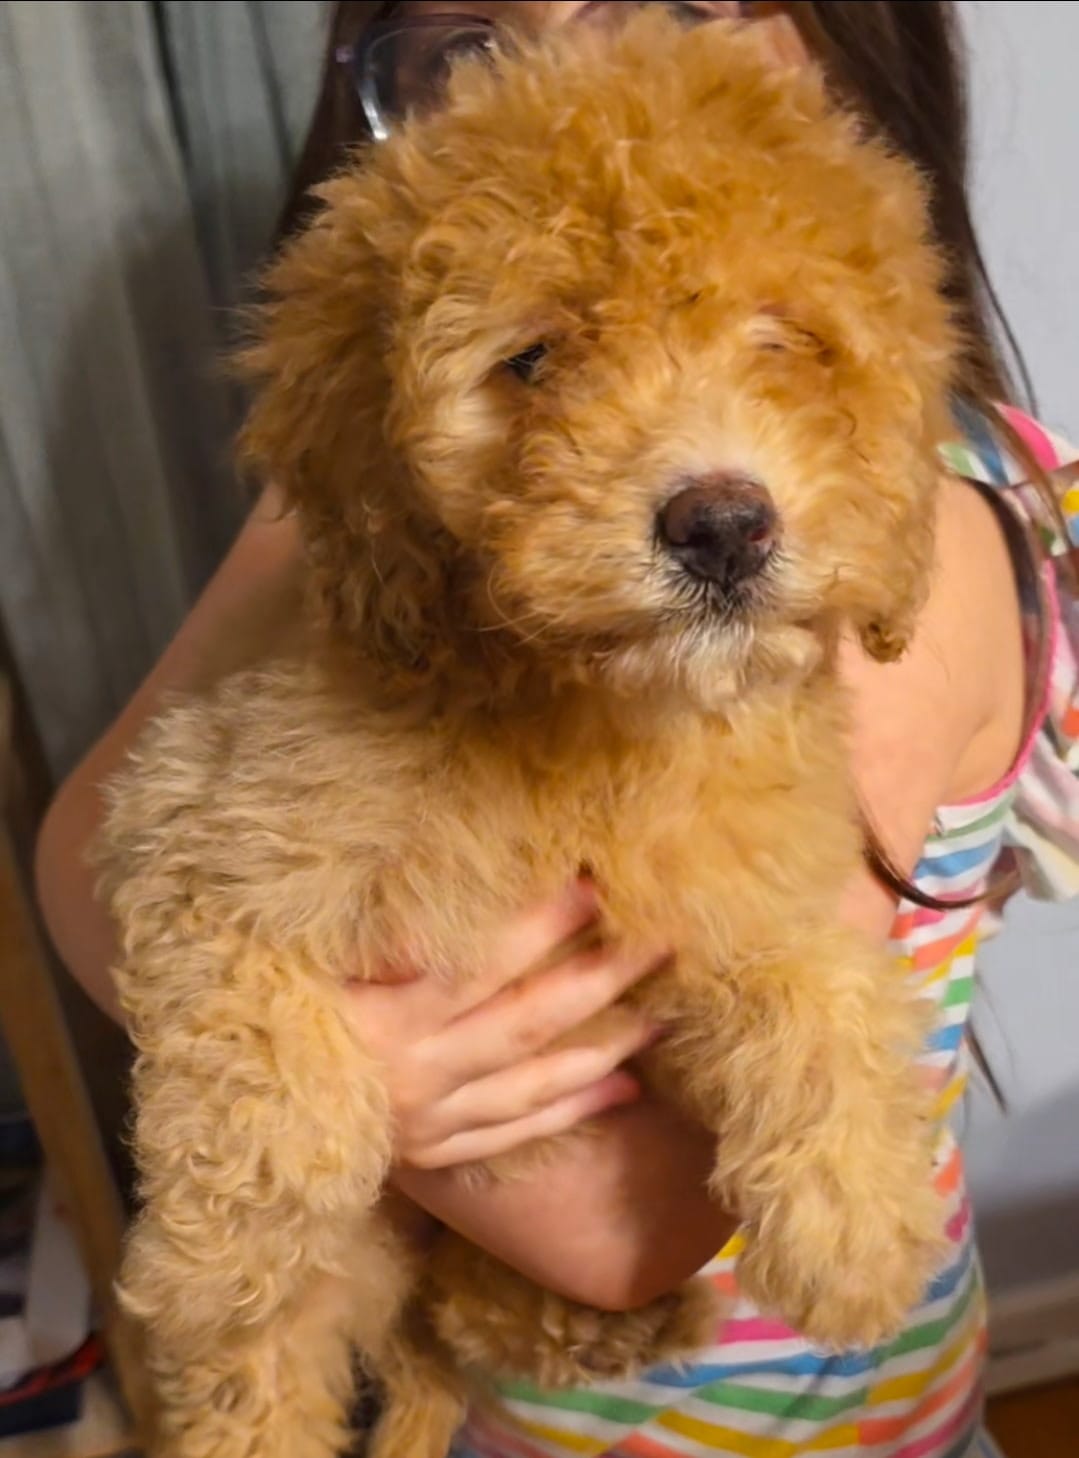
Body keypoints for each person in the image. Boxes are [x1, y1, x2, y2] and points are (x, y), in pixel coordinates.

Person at [34, 3, 1079, 1455]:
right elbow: (85, 856)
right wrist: (299, 1059)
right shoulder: (399, 484)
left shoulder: (928, 527)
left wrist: (363, 1094)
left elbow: (623, 1241)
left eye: (676, 3)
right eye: (472, 43)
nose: (578, 74)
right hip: (485, 1410)